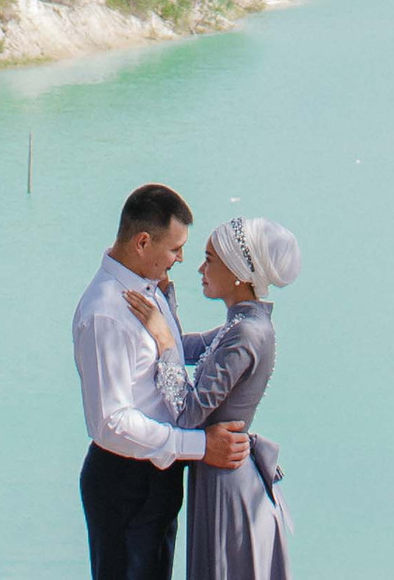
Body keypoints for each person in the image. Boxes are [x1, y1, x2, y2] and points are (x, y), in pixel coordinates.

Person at [74, 184, 252, 580]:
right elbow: (112, 423)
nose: (182, 258)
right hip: (125, 483)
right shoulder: (107, 313)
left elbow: (164, 355)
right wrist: (201, 446)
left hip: (154, 479)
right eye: (174, 249)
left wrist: (243, 331)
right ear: (142, 242)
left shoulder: (146, 290)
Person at [123, 215, 298, 580]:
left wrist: (164, 340)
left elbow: (188, 414)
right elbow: (188, 347)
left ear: (237, 271)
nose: (200, 268)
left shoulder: (246, 333)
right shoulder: (240, 324)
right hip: (219, 473)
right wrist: (163, 303)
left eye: (210, 260)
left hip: (228, 484)